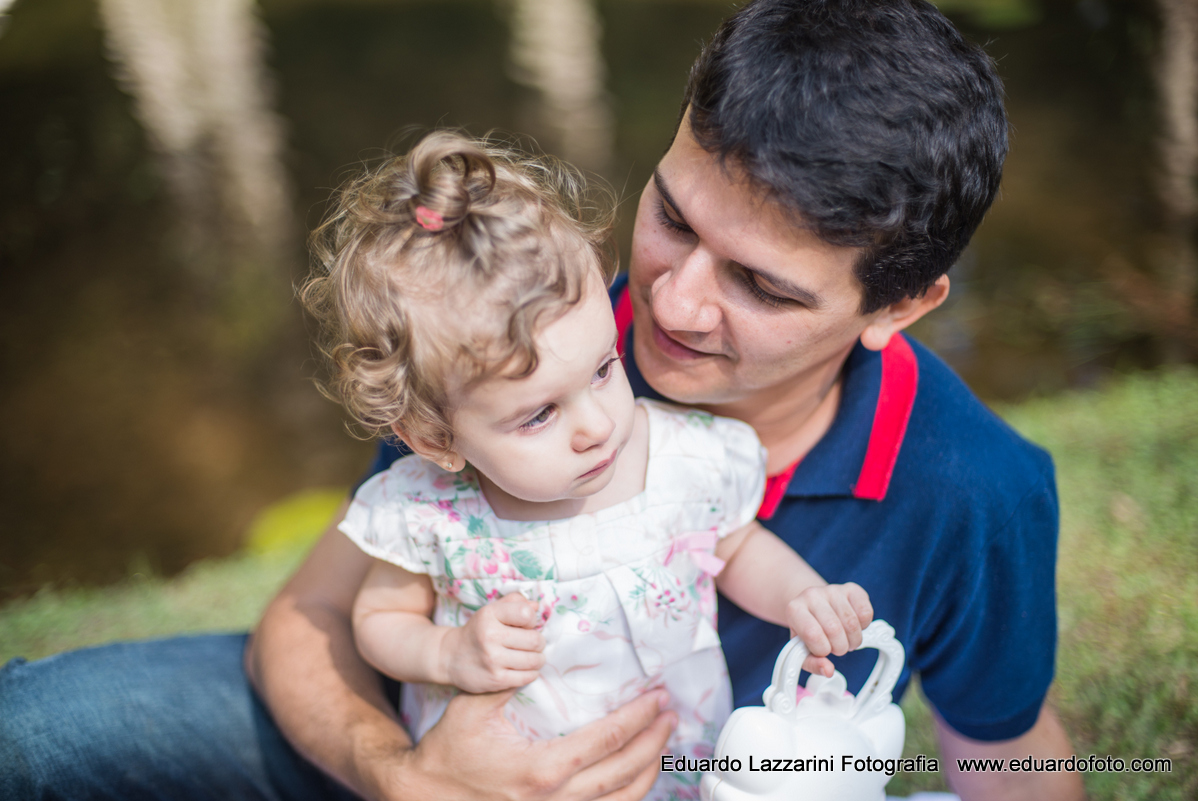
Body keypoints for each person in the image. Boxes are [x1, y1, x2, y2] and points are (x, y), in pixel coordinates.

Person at [0, 2, 1085, 800]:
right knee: (34, 731)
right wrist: (403, 776)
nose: (674, 304)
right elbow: (311, 616)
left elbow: (1008, 751)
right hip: (419, 743)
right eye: (673, 215)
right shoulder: (528, 334)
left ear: (898, 304)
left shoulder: (971, 491)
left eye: (760, 285)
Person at [304, 130, 873, 800]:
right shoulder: (436, 513)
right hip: (502, 780)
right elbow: (378, 618)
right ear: (433, 435)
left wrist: (803, 595)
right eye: (539, 414)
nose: (597, 425)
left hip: (675, 766)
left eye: (605, 369)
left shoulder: (684, 459)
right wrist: (446, 654)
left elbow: (738, 545)